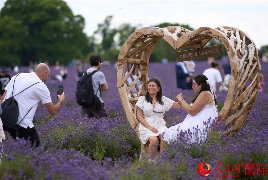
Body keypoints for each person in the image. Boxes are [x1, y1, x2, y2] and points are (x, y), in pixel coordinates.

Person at [0, 63, 65, 147]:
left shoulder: (17, 76)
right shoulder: (40, 86)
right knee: (35, 147)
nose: (47, 78)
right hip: (22, 124)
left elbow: (2, 99)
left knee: (14, 149)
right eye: (48, 75)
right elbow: (53, 111)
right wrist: (61, 101)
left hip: (6, 120)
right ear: (44, 73)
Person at [163, 75, 218, 143]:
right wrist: (181, 102)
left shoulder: (205, 93)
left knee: (168, 133)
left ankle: (160, 153)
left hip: (200, 126)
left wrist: (181, 100)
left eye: (194, 85)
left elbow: (192, 111)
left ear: (201, 85)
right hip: (198, 124)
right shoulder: (203, 93)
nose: (192, 87)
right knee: (168, 133)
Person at [136, 78, 182, 157]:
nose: (151, 87)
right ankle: (149, 162)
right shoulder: (142, 99)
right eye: (149, 86)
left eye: (153, 86)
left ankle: (161, 161)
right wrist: (149, 127)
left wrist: (181, 99)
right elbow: (139, 116)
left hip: (160, 124)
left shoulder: (163, 99)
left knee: (165, 137)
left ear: (158, 88)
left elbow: (178, 106)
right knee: (154, 140)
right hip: (146, 125)